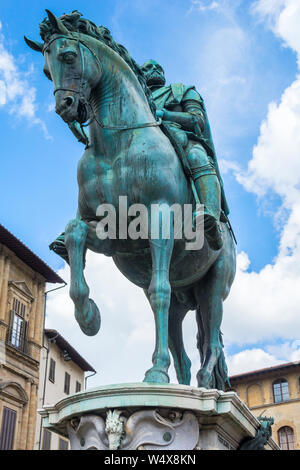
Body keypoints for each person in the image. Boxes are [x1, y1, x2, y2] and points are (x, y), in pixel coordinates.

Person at [141, 60, 230, 250]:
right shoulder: (136, 99)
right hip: (142, 144)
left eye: (159, 67)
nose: (155, 69)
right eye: (148, 68)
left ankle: (211, 219)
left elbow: (198, 121)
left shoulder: (183, 90)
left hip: (181, 139)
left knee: (198, 157)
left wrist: (165, 114)